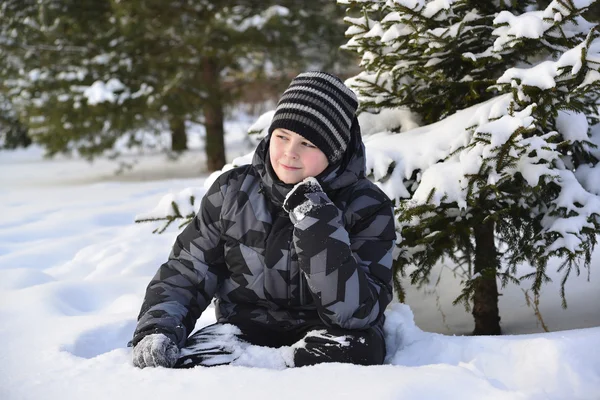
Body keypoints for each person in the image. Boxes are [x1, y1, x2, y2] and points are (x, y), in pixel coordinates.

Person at [131, 71, 396, 369]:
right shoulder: (232, 191)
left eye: (308, 144)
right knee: (192, 359)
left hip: (329, 333)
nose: (289, 152)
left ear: (334, 153)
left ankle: (274, 367)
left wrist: (318, 225)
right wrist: (158, 328)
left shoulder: (367, 206)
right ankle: (254, 366)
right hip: (244, 329)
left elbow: (356, 312)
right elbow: (188, 269)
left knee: (361, 351)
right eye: (282, 137)